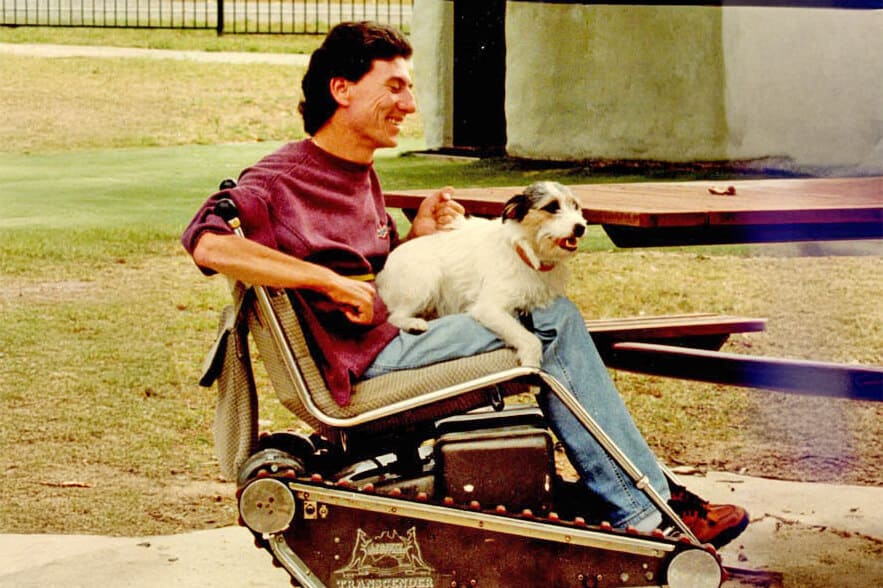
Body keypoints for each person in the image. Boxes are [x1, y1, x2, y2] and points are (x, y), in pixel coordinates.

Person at [182, 21, 748, 547]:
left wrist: (416, 239)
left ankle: (633, 498)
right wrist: (327, 281)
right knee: (552, 323)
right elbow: (205, 240)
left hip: (388, 338)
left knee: (550, 316)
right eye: (395, 87)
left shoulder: (358, 172)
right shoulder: (284, 177)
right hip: (361, 366)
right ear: (341, 89)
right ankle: (645, 510)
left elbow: (381, 284)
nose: (409, 104)